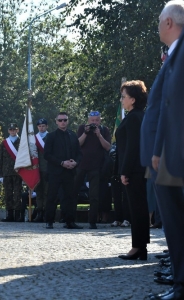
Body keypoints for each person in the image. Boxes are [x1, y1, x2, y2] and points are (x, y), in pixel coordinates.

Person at [144, 2, 184, 299]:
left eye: (159, 20)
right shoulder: (174, 54)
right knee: (172, 220)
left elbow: (172, 107)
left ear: (169, 22)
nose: (157, 25)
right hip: (169, 150)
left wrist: (161, 150)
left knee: (176, 219)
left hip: (176, 151)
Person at [115, 80, 149, 260]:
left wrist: (124, 171)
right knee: (138, 208)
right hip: (135, 169)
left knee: (137, 209)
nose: (122, 100)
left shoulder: (135, 117)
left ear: (133, 99)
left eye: (124, 97)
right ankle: (140, 246)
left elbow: (132, 147)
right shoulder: (135, 116)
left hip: (134, 170)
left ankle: (138, 246)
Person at [44, 112, 82, 229]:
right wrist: (61, 163)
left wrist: (75, 162)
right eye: (60, 120)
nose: (62, 122)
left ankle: (69, 221)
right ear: (56, 121)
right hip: (55, 171)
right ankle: (49, 221)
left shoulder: (73, 135)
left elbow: (79, 153)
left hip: (69, 172)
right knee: (52, 196)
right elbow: (47, 155)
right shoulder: (51, 136)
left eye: (65, 120)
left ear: (68, 121)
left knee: (70, 197)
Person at [73, 111, 111, 229]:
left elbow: (108, 147)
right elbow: (77, 144)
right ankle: (69, 219)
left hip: (96, 167)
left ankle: (92, 221)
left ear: (100, 120)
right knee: (73, 192)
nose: (94, 122)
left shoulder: (105, 130)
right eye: (92, 120)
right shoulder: (81, 128)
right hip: (81, 165)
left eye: (97, 120)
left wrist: (99, 135)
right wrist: (85, 132)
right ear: (88, 120)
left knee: (94, 195)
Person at [0, 123, 23, 222]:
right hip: (7, 172)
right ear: (8, 131)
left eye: (14, 129)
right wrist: (0, 174)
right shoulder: (4, 143)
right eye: (11, 130)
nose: (12, 131)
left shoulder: (21, 142)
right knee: (8, 194)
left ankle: (18, 215)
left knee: (17, 194)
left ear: (17, 130)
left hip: (18, 172)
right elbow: (0, 159)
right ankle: (10, 214)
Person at [33, 118, 48, 222]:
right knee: (39, 192)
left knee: (47, 192)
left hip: (48, 168)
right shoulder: (34, 138)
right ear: (37, 127)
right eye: (39, 126)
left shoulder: (51, 137)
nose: (41, 128)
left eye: (43, 126)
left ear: (46, 126)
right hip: (37, 169)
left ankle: (47, 213)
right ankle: (39, 213)